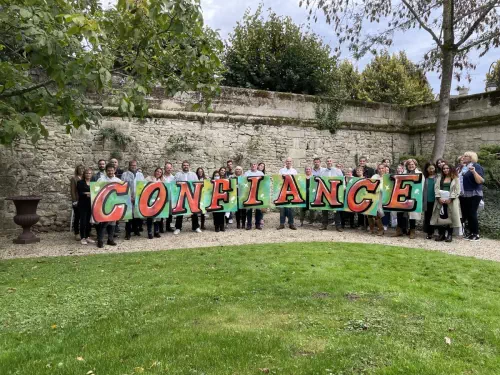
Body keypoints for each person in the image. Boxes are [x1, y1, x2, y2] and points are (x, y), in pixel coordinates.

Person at [431, 162, 462, 242]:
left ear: (451, 169)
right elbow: (436, 188)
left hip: (451, 201)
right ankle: (441, 234)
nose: (445, 170)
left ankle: (449, 235)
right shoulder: (439, 178)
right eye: (444, 168)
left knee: (450, 217)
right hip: (440, 201)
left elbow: (457, 190)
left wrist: (451, 199)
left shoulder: (455, 179)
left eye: (447, 168)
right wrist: (438, 198)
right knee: (441, 217)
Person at [393, 159, 423, 239]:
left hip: (414, 196)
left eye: (412, 164)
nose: (411, 166)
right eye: (409, 164)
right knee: (400, 213)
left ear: (415, 165)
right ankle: (400, 230)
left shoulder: (419, 174)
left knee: (412, 214)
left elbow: (421, 186)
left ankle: (412, 230)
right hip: (403, 195)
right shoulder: (403, 173)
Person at [460, 151, 485, 241]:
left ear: (471, 158)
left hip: (474, 193)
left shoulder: (476, 166)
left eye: (466, 156)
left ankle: (476, 234)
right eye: (464, 155)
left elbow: (480, 181)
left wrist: (474, 172)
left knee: (472, 213)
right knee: (467, 213)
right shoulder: (464, 167)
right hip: (465, 194)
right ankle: (470, 233)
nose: (464, 157)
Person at [96, 163, 121, 248]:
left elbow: (121, 193)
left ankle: (110, 239)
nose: (110, 172)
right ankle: (100, 240)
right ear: (106, 171)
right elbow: (96, 191)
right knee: (104, 223)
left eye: (112, 170)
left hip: (114, 204)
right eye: (108, 170)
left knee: (113, 223)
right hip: (104, 205)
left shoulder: (118, 181)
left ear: (114, 171)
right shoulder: (101, 180)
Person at [174, 161, 202, 234]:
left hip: (191, 196)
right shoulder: (178, 174)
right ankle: (178, 228)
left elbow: (197, 184)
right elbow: (174, 184)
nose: (185, 166)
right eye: (184, 165)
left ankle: (196, 227)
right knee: (179, 212)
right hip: (181, 195)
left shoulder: (193, 174)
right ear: (182, 166)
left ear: (189, 166)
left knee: (194, 212)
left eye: (187, 165)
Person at [121, 160, 145, 240]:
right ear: (129, 166)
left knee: (137, 215)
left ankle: (136, 230)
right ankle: (128, 233)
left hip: (138, 198)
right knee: (128, 216)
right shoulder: (125, 174)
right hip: (129, 198)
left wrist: (138, 197)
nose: (133, 167)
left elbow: (142, 186)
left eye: (135, 165)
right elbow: (123, 186)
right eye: (132, 165)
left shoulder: (140, 175)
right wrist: (129, 197)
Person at [320, 158, 343, 232]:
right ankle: (324, 225)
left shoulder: (337, 170)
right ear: (326, 162)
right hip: (325, 192)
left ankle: (338, 226)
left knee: (336, 210)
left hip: (335, 193)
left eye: (330, 161)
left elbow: (342, 180)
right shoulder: (322, 171)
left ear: (332, 162)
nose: (329, 162)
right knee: (324, 209)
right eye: (327, 161)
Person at [145, 167, 165, 239]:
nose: (158, 173)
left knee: (158, 217)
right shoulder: (148, 178)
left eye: (160, 172)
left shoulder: (162, 180)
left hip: (158, 200)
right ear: (155, 172)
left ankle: (156, 231)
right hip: (150, 200)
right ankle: (149, 232)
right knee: (150, 217)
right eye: (157, 171)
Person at [277, 157, 298, 230]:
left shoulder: (294, 171)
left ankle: (291, 223)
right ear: (285, 162)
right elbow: (279, 180)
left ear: (291, 162)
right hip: (283, 191)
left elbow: (296, 181)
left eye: (290, 161)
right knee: (282, 208)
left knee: (290, 208)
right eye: (287, 161)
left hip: (291, 191)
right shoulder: (281, 171)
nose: (288, 162)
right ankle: (282, 224)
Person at [245, 162, 265, 230]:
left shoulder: (261, 173)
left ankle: (257, 224)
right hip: (249, 194)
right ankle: (249, 225)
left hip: (258, 194)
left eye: (255, 164)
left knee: (258, 210)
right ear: (250, 166)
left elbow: (263, 183)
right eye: (252, 164)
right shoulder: (247, 173)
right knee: (249, 210)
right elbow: (244, 182)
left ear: (257, 166)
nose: (253, 165)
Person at [77, 167, 94, 245]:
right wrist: (88, 193)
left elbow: (96, 192)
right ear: (84, 174)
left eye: (90, 173)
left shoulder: (93, 182)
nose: (88, 175)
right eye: (87, 173)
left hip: (91, 204)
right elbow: (80, 193)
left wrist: (87, 193)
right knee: (83, 221)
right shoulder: (80, 182)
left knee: (89, 222)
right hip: (83, 204)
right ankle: (82, 237)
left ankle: (88, 236)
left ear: (91, 174)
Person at [368, 164, 386, 236]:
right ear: (377, 169)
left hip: (382, 196)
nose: (381, 170)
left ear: (384, 169)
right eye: (379, 168)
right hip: (373, 195)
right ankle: (372, 228)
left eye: (382, 168)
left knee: (378, 211)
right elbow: (370, 184)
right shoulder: (374, 176)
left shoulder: (387, 177)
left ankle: (381, 229)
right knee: (370, 211)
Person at [422, 162, 437, 239]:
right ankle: (429, 232)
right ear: (427, 169)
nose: (431, 170)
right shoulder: (424, 178)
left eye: (432, 168)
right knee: (428, 216)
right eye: (429, 168)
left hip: (436, 200)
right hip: (427, 200)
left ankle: (437, 231)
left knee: (435, 216)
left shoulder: (438, 177)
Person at [70, 164, 85, 241]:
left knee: (85, 217)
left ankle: (85, 232)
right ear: (77, 170)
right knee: (77, 217)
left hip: (85, 200)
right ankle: (76, 233)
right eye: (80, 168)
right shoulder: (74, 178)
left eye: (83, 168)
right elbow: (72, 191)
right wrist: (74, 201)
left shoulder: (85, 178)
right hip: (77, 201)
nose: (81, 170)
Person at [161, 162, 176, 232]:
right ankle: (161, 228)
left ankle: (168, 227)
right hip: (162, 197)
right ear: (164, 168)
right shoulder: (161, 177)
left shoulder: (173, 177)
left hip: (171, 197)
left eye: (170, 168)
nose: (169, 169)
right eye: (167, 168)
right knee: (161, 212)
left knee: (170, 213)